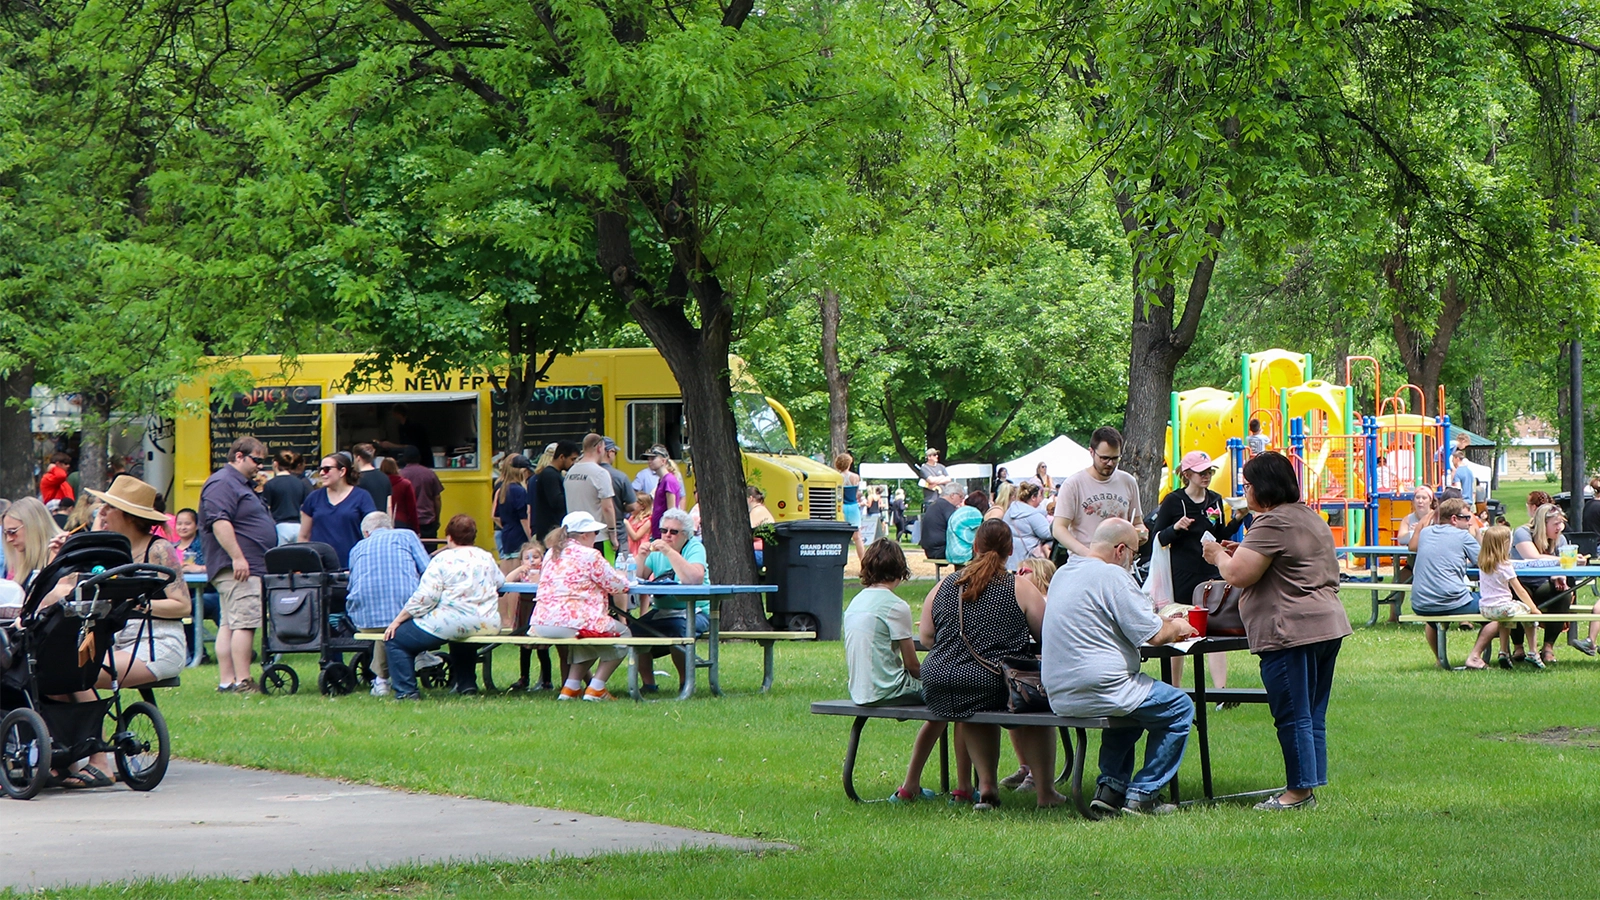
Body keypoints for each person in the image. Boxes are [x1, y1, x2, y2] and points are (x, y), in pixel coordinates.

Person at [1202, 451, 1352, 811]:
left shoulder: (1270, 522)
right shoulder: (1308, 517)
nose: (1245, 490)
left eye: (1248, 484)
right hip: (1326, 623)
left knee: (1291, 712)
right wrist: (1242, 550)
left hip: (1291, 629)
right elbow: (1288, 562)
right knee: (1312, 712)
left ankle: (1297, 794)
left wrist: (1217, 555)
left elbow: (1237, 575)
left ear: (1263, 487)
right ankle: (1309, 785)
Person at [1043, 517, 1198, 817]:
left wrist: (1161, 622)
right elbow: (1153, 635)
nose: (1134, 560)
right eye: (1135, 553)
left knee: (1133, 704)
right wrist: (1178, 624)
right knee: (1179, 707)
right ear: (1121, 550)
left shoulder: (1064, 573)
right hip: (1101, 686)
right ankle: (1143, 794)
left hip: (1059, 691)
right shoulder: (1112, 575)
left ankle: (1111, 789)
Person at [918, 519, 1063, 810]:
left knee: (972, 703)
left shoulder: (946, 584)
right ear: (1010, 550)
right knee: (1037, 706)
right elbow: (1047, 635)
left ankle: (986, 786)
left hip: (938, 681)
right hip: (993, 680)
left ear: (975, 547)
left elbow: (926, 636)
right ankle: (1045, 792)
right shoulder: (1018, 586)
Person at [843, 538, 946, 803]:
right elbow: (913, 666)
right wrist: (937, 679)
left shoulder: (855, 602)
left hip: (860, 688)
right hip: (888, 688)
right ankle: (914, 786)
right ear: (900, 570)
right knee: (951, 701)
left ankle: (917, 785)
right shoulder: (895, 606)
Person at [381, 514, 504, 699]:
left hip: (451, 621)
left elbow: (427, 597)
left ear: (449, 537)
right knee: (462, 637)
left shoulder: (442, 559)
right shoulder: (486, 557)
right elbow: (500, 582)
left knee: (396, 640)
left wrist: (398, 620)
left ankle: (407, 692)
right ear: (473, 536)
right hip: (487, 623)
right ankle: (467, 684)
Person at [201, 436, 278, 694]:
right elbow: (219, 522)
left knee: (229, 623)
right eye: (256, 460)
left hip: (243, 565)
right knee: (245, 622)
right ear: (238, 456)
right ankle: (243, 682)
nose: (260, 466)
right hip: (240, 567)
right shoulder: (223, 482)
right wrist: (237, 557)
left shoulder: (240, 484)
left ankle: (228, 681)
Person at [1152, 450, 1233, 692]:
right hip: (1183, 576)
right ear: (1187, 474)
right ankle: (1175, 688)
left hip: (1211, 574)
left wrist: (1238, 519)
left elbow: (1220, 535)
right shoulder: (1173, 501)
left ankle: (1221, 692)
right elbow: (1157, 538)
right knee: (1180, 629)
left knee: (1215, 628)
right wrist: (1176, 528)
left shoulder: (1216, 500)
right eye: (1201, 472)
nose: (1206, 476)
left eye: (1209, 471)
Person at [529, 511, 632, 701]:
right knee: (623, 634)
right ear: (584, 535)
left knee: (588, 638)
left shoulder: (551, 553)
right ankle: (597, 687)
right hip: (574, 620)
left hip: (542, 622)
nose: (596, 537)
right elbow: (618, 586)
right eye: (594, 533)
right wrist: (623, 575)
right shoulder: (590, 555)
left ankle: (571, 687)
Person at [347, 511, 433, 697]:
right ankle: (419, 657)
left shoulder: (357, 547)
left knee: (385, 630)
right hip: (407, 615)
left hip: (364, 620)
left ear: (367, 533)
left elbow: (351, 584)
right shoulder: (406, 536)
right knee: (395, 623)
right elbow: (428, 571)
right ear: (390, 526)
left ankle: (381, 681)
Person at [632, 507, 707, 693]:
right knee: (633, 631)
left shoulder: (694, 547)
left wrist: (669, 552)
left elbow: (694, 579)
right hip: (663, 611)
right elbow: (639, 576)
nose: (667, 536)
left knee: (679, 631)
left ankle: (685, 684)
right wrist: (641, 557)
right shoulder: (656, 550)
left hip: (695, 610)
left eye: (674, 532)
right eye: (663, 531)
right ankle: (648, 684)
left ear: (686, 535)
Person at [1511, 503, 1594, 662]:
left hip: (1543, 584)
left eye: (1561, 523)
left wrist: (1559, 576)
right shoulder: (1523, 533)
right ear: (1544, 524)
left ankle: (1548, 647)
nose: (1560, 527)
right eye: (1556, 523)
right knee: (1518, 597)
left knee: (1564, 594)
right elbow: (1532, 557)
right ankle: (1518, 646)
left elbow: (1560, 567)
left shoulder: (1560, 539)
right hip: (1520, 583)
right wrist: (1564, 560)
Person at [1053, 426, 1145, 558]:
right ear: (1091, 452)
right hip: (1083, 562)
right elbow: (1059, 529)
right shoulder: (1073, 484)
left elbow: (1137, 521)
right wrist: (1088, 553)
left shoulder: (1128, 481)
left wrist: (1141, 532)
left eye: (1115, 458)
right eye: (1104, 458)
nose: (1110, 463)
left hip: (1119, 562)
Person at [1408, 496, 1482, 658]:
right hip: (1451, 601)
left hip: (1420, 603)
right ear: (1454, 519)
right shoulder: (1463, 536)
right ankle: (1475, 656)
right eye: (1467, 518)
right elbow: (1485, 562)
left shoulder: (1426, 533)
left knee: (1432, 621)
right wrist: (1477, 535)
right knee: (1496, 608)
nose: (1470, 522)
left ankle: (1440, 660)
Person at [1463, 525, 1543, 670]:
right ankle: (1533, 651)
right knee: (1528, 614)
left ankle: (1503, 652)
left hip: (1486, 607)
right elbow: (1520, 591)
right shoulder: (1505, 565)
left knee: (1505, 619)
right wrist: (1534, 609)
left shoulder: (1483, 563)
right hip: (1501, 607)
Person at [297, 453, 376, 570]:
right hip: (320, 568)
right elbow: (304, 536)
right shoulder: (313, 498)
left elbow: (371, 534)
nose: (322, 473)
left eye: (327, 469)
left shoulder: (362, 497)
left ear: (342, 471)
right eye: (320, 470)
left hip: (354, 566)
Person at [172, 507, 219, 661]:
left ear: (197, 525)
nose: (183, 527)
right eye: (179, 524)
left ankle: (199, 653)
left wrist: (198, 568)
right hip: (182, 594)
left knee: (186, 608)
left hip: (206, 592)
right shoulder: (170, 549)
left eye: (187, 524)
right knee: (180, 608)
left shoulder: (203, 546)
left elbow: (217, 566)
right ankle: (194, 652)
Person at [565, 434, 619, 559]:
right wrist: (613, 535)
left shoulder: (570, 472)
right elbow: (608, 508)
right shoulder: (600, 473)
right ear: (600, 448)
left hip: (574, 536)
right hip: (598, 537)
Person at [3, 496, 62, 588]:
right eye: (5, 533)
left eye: (12, 532)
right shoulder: (18, 557)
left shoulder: (59, 552)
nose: (8, 539)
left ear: (33, 527)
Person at [261, 451, 310, 545]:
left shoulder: (270, 484)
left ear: (275, 464)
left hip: (280, 526)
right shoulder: (300, 483)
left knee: (280, 557)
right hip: (298, 526)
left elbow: (266, 508)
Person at [535, 441, 580, 542]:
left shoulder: (553, 474)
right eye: (572, 459)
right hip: (551, 531)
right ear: (562, 457)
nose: (574, 463)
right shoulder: (550, 475)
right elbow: (557, 501)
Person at [1003, 482, 1054, 569]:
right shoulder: (1032, 514)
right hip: (1029, 559)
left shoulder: (1011, 510)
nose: (1041, 500)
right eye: (1040, 496)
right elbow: (1048, 533)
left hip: (1011, 558)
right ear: (1033, 497)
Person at [399, 446, 445, 539]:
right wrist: (437, 518)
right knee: (430, 551)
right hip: (427, 520)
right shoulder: (430, 473)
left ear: (404, 458)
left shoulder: (400, 475)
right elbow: (437, 498)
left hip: (407, 522)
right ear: (419, 457)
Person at [493, 455, 533, 559]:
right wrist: (531, 539)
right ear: (522, 471)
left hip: (507, 535)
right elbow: (523, 519)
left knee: (507, 570)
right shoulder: (519, 491)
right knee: (519, 570)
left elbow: (496, 516)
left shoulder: (503, 489)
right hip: (519, 536)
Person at [599, 437, 637, 544]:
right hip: (617, 531)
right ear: (610, 452)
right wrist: (621, 507)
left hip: (592, 533)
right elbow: (633, 506)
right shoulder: (620, 477)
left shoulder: (588, 474)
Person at [646, 446, 685, 539]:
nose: (649, 461)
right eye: (648, 459)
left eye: (653, 458)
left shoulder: (669, 480)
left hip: (663, 535)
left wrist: (667, 534)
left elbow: (671, 511)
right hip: (657, 532)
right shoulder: (662, 480)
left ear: (663, 461)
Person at [918, 483, 962, 562]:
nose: (961, 500)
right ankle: (962, 574)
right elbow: (956, 526)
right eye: (961, 496)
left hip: (930, 550)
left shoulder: (935, 504)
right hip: (940, 550)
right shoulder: (947, 507)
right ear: (952, 495)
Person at [834, 453, 867, 558]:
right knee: (857, 537)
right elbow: (857, 493)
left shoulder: (836, 477)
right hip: (853, 506)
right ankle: (863, 563)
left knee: (839, 536)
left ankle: (838, 562)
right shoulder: (855, 477)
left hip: (840, 507)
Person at [945, 490, 988, 566]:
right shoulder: (974, 512)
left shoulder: (959, 511)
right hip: (965, 554)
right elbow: (983, 534)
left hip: (951, 553)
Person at [351, 443, 392, 517]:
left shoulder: (356, 479)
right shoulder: (384, 477)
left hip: (363, 522)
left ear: (358, 458)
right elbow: (389, 506)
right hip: (381, 522)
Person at [381, 457, 419, 533]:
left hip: (382, 521)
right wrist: (416, 528)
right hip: (401, 522)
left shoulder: (379, 483)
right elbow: (412, 508)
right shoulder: (405, 484)